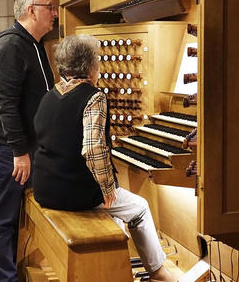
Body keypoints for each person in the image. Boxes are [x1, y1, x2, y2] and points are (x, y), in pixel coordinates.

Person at [33, 35, 179, 282]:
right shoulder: (94, 96)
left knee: (116, 213)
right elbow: (93, 149)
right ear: (91, 66)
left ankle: (115, 269)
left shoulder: (50, 95)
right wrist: (107, 187)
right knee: (140, 208)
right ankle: (158, 272)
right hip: (75, 193)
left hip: (45, 188)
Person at [0, 0, 57, 281]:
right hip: (4, 148)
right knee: (1, 219)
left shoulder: (33, 44)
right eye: (49, 7)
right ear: (31, 10)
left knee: (15, 215)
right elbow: (5, 106)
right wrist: (20, 152)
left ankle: (18, 270)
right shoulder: (12, 46)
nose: (55, 13)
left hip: (18, 146)